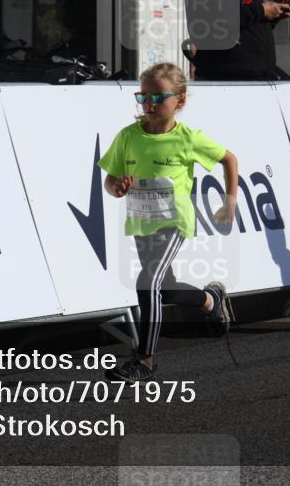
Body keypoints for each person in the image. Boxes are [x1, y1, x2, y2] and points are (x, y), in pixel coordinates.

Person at [99, 62, 238, 382]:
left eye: (158, 97)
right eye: (143, 97)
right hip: (141, 223)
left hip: (174, 222)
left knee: (147, 282)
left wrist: (230, 200)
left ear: (180, 101)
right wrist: (117, 188)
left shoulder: (187, 138)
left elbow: (229, 159)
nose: (149, 104)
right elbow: (110, 180)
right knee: (164, 289)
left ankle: (145, 361)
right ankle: (210, 300)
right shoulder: (128, 136)